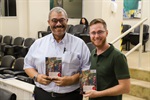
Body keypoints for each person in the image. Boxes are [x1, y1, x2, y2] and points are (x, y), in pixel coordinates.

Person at [24, 7, 91, 100]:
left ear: (67, 21)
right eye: (54, 20)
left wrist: (72, 79)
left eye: (62, 20)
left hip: (71, 96)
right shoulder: (38, 44)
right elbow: (27, 65)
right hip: (43, 95)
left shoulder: (79, 44)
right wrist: (37, 77)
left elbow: (87, 69)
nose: (58, 24)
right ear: (49, 22)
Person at [83, 18, 130, 100]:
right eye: (93, 33)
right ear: (89, 35)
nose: (96, 36)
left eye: (100, 32)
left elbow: (125, 87)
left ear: (107, 33)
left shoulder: (118, 57)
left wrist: (98, 94)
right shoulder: (92, 53)